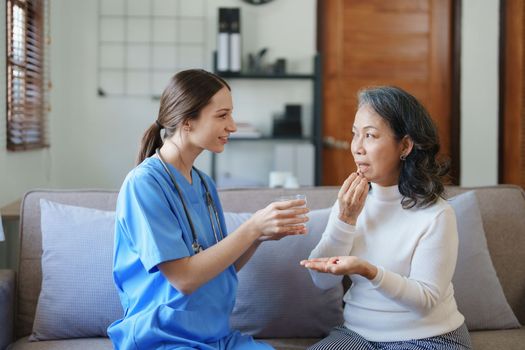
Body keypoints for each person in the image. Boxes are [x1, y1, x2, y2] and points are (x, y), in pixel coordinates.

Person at [107, 69, 309, 350]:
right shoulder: (144, 184)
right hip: (163, 338)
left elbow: (220, 266)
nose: (233, 126)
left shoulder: (204, 184)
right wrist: (251, 227)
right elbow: (185, 278)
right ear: (188, 120)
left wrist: (258, 237)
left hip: (215, 336)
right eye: (222, 115)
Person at [300, 86, 472, 350]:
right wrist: (344, 220)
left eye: (370, 135)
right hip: (356, 334)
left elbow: (425, 300)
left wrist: (367, 270)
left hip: (428, 336)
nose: (357, 147)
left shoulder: (436, 214)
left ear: (404, 145)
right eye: (355, 134)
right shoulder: (351, 202)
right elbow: (321, 280)